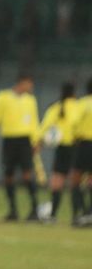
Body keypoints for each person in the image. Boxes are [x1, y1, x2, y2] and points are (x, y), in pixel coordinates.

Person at [0, 73, 40, 221]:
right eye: (29, 83)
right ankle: (13, 210)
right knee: (9, 175)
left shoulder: (30, 100)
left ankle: (34, 209)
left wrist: (36, 140)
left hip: (25, 141)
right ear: (22, 83)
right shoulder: (3, 97)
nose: (31, 87)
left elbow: (34, 122)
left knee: (27, 174)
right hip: (9, 140)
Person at [35, 81, 79, 224]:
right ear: (74, 93)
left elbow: (44, 126)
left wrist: (39, 142)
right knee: (76, 182)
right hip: (78, 147)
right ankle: (77, 216)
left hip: (62, 149)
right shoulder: (79, 107)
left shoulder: (56, 108)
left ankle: (53, 215)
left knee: (56, 182)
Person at [71, 79, 92, 226]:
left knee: (76, 179)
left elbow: (74, 123)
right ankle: (90, 213)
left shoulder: (82, 103)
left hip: (84, 144)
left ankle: (79, 212)